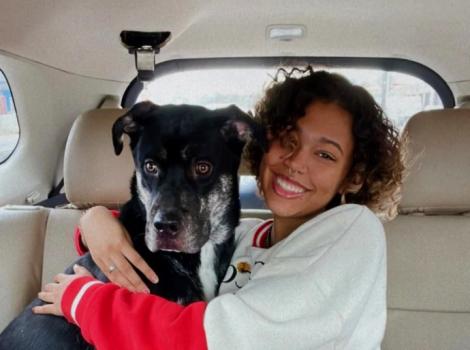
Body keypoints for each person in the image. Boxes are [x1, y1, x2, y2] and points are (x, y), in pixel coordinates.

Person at [33, 67, 405, 350]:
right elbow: (173, 242)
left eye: (324, 154)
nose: (296, 162)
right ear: (263, 145)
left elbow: (206, 340)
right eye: (287, 141)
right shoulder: (242, 241)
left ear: (353, 176)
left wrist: (82, 299)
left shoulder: (354, 231)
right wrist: (96, 221)